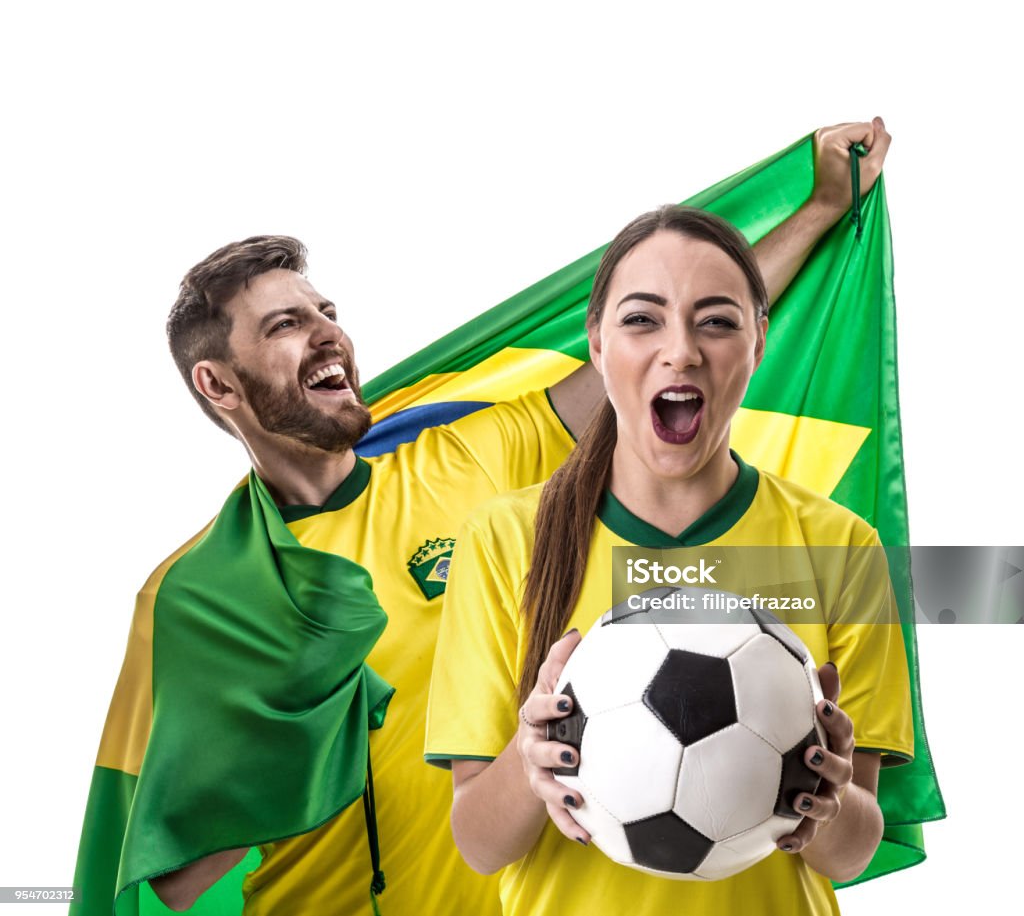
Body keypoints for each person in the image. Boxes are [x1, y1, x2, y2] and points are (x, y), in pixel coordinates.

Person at [73, 119, 891, 916]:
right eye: (287, 325)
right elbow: (172, 874)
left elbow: (656, 362)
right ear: (219, 385)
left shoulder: (469, 462)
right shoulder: (193, 595)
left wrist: (818, 210)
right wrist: (305, 742)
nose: (330, 335)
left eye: (327, 311)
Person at [424, 201, 913, 915]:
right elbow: (479, 842)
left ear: (758, 343)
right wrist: (525, 766)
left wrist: (829, 800)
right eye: (642, 318)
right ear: (597, 343)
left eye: (716, 321)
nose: (680, 350)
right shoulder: (503, 537)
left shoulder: (843, 546)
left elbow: (852, 849)